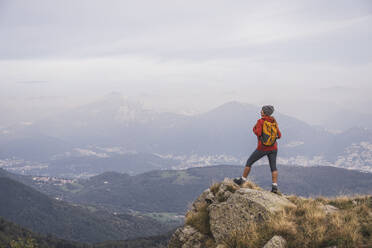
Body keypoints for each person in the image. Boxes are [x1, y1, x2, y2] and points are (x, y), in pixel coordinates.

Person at [234, 105, 282, 194]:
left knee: (249, 162)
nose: (260, 112)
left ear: (264, 112)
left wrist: (254, 129)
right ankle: (274, 186)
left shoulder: (260, 121)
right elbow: (279, 135)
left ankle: (242, 180)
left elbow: (258, 132)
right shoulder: (273, 121)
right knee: (273, 167)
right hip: (274, 148)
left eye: (262, 110)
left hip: (262, 148)